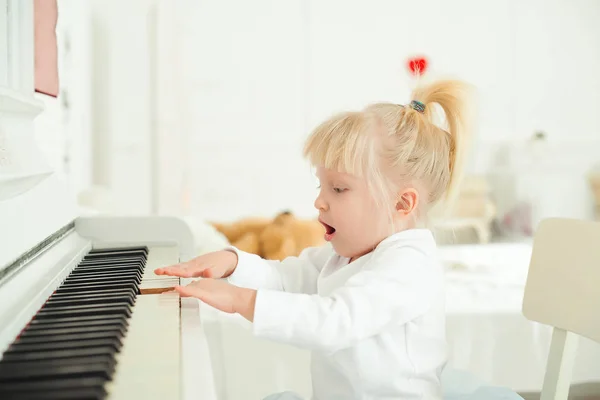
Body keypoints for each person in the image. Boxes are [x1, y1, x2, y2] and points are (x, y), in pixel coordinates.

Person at [155, 78, 472, 399]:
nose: (319, 202)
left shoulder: (409, 266)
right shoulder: (350, 252)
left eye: (338, 188)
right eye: (320, 185)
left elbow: (333, 321)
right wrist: (233, 263)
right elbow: (287, 278)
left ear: (402, 204)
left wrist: (240, 300)